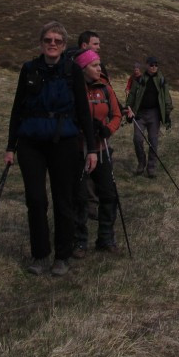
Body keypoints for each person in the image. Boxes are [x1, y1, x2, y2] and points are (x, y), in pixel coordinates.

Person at [4, 21, 97, 277]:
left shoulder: (72, 71)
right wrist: (11, 146)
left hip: (64, 143)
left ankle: (62, 255)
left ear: (64, 45)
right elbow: (17, 109)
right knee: (35, 200)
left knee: (63, 200)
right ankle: (40, 254)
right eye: (48, 40)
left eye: (57, 40)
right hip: (30, 143)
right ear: (41, 43)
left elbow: (83, 112)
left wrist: (91, 148)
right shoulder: (29, 70)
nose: (52, 44)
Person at [72, 49, 122, 257]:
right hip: (77, 150)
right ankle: (79, 242)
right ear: (83, 68)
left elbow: (117, 114)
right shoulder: (73, 88)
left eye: (99, 64)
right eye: (95, 65)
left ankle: (105, 238)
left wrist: (108, 129)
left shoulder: (105, 88)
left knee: (109, 195)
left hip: (102, 150)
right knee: (79, 197)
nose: (99, 69)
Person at [125, 56, 173, 177]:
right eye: (152, 64)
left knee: (153, 141)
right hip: (140, 114)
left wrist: (167, 113)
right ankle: (141, 163)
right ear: (147, 65)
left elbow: (166, 96)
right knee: (137, 139)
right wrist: (128, 109)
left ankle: (151, 168)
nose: (154, 67)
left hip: (154, 114)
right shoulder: (140, 79)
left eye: (156, 65)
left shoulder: (161, 80)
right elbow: (131, 95)